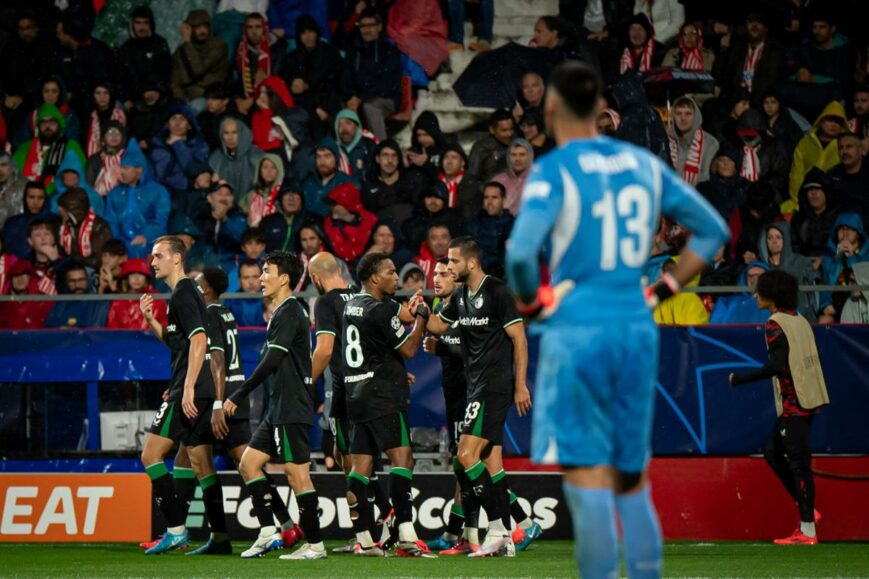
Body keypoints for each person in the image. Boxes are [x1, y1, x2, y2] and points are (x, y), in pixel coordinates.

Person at [505, 62, 729, 577]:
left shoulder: (555, 171)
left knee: (587, 483)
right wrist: (668, 284)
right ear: (600, 107)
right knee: (631, 481)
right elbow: (712, 230)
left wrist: (533, 304)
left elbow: (519, 256)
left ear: (553, 107)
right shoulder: (642, 165)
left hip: (578, 330)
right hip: (634, 327)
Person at [424, 257, 541, 554]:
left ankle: (478, 533)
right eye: (437, 272)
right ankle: (518, 525)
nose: (439, 277)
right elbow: (441, 330)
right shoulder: (453, 305)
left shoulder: (488, 299)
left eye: (447, 270)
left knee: (466, 461)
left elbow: (476, 347)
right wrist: (424, 314)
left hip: (478, 393)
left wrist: (443, 346)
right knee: (487, 464)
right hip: (465, 393)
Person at [183, 267, 302, 552]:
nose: (195, 289)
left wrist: (216, 404)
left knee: (200, 460)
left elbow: (218, 359)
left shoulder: (209, 314)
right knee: (248, 464)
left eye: (197, 285)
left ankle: (221, 536)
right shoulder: (226, 313)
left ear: (207, 290)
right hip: (236, 396)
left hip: (220, 398)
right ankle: (286, 525)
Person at [222, 251, 326, 560]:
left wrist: (239, 394)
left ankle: (316, 545)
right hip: (279, 406)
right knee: (249, 464)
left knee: (297, 476)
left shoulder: (290, 311)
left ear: (284, 278)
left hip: (291, 406)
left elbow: (271, 361)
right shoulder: (282, 311)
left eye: (266, 271)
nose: (261, 277)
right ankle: (268, 531)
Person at [136, 236, 228, 554]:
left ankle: (176, 530)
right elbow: (181, 346)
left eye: (158, 255)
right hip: (193, 388)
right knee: (198, 462)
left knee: (150, 455)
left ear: (177, 258)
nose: (152, 262)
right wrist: (151, 321)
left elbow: (200, 340)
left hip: (189, 390)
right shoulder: (181, 294)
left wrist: (186, 386)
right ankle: (220, 537)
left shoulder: (185, 292)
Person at [729, 270, 829, 545]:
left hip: (794, 405)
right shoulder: (800, 321)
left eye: (759, 290)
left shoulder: (775, 323)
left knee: (799, 465)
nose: (755, 295)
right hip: (808, 400)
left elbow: (776, 366)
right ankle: (808, 511)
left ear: (771, 294)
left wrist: (740, 379)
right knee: (772, 450)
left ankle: (807, 530)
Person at [342, 252, 431, 557]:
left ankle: (364, 539)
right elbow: (408, 347)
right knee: (403, 460)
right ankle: (406, 535)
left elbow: (392, 321)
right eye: (391, 272)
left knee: (360, 468)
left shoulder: (353, 304)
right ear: (376, 278)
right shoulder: (379, 311)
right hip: (382, 396)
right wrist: (422, 317)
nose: (397, 277)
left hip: (357, 395)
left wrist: (410, 309)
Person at [339, 9, 403, 142]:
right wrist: (350, 97)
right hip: (359, 99)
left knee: (370, 106)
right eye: (363, 26)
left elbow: (387, 84)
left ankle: (381, 148)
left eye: (370, 26)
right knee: (346, 111)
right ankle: (352, 152)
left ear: (379, 27)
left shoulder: (389, 51)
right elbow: (345, 78)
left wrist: (360, 98)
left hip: (386, 98)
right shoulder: (354, 51)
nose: (366, 30)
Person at [104, 141, 170, 259]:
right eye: (121, 167)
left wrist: (146, 235)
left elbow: (160, 221)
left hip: (149, 244)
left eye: (126, 168)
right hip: (120, 246)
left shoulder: (158, 191)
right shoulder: (114, 194)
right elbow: (111, 221)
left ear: (139, 170)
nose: (121, 172)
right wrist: (118, 243)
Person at [786, 101, 848, 214]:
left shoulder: (845, 146)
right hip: (804, 197)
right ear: (821, 121)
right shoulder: (805, 143)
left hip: (834, 203)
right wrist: (798, 203)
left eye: (838, 122)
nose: (833, 125)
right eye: (830, 120)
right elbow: (796, 176)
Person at [716, 11, 786, 107]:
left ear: (766, 28)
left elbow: (771, 84)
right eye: (750, 21)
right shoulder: (738, 48)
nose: (754, 25)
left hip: (759, 103)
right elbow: (723, 78)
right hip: (735, 99)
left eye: (759, 22)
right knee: (710, 106)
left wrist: (749, 104)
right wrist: (723, 51)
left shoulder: (775, 52)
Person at [13, 104, 86, 195]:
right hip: (25, 197)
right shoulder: (25, 147)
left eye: (52, 122)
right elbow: (13, 174)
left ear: (59, 124)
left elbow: (80, 177)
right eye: (44, 122)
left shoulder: (70, 146)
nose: (47, 127)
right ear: (39, 126)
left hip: (58, 198)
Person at [170, 10, 230, 112]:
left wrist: (188, 43)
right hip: (187, 99)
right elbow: (175, 82)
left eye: (204, 26)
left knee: (196, 107)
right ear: (189, 29)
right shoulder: (180, 51)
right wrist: (183, 101)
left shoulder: (218, 46)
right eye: (197, 27)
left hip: (210, 97)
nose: (202, 31)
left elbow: (198, 69)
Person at [817, 213, 869, 323]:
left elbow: (863, 279)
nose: (845, 233)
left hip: (862, 302)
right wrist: (826, 303)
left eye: (850, 229)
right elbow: (825, 282)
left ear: (858, 233)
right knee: (823, 321)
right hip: (837, 302)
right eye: (841, 229)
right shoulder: (830, 255)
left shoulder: (867, 254)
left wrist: (851, 257)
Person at [149, 103, 211, 195]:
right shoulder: (156, 146)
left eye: (182, 119)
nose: (177, 123)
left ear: (189, 125)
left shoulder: (200, 146)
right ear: (167, 124)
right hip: (162, 195)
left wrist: (178, 144)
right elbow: (158, 175)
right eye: (173, 118)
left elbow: (194, 169)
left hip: (190, 195)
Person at [117, 6, 171, 105]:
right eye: (138, 23)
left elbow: (167, 74)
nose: (141, 27)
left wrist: (159, 91)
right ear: (132, 24)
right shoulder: (125, 49)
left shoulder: (160, 44)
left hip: (159, 96)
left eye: (145, 23)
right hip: (134, 98)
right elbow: (120, 80)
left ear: (151, 25)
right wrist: (126, 100)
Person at [209, 118, 264, 208]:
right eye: (226, 133)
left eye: (234, 132)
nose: (230, 138)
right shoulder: (216, 158)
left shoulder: (256, 155)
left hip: (251, 208)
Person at [463, 182, 515, 278]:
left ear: (503, 200)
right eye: (486, 197)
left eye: (494, 197)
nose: (489, 202)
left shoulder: (513, 225)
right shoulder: (473, 223)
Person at [362, 140, 418, 224]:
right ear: (377, 159)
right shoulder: (369, 186)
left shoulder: (411, 181)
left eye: (394, 156)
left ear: (399, 159)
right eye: (385, 155)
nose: (390, 160)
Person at [667, 96, 719, 185]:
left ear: (696, 116)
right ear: (673, 116)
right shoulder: (666, 140)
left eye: (688, 114)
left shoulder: (710, 143)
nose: (683, 118)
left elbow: (707, 177)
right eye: (679, 113)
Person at [56, 187, 112, 270]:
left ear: (73, 211)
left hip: (92, 269)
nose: (60, 213)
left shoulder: (98, 226)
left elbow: (98, 260)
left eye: (63, 211)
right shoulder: (64, 226)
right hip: (72, 267)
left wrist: (71, 260)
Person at [323, 182, 377, 266]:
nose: (331, 208)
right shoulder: (328, 223)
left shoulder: (369, 220)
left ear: (347, 204)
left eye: (335, 204)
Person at [791, 169, 840, 258]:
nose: (813, 193)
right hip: (803, 266)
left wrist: (824, 261)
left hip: (832, 265)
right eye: (810, 189)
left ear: (826, 192)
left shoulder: (838, 218)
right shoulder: (798, 219)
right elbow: (794, 248)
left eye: (817, 189)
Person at [107, 258, 167, 330]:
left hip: (152, 340)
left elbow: (165, 327)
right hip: (125, 340)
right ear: (127, 278)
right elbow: (113, 330)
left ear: (146, 278)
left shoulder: (157, 299)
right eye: (132, 274)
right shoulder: (118, 302)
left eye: (140, 274)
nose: (136, 278)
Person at [303, 138, 356, 219]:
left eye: (327, 156)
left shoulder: (349, 183)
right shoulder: (307, 183)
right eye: (318, 156)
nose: (322, 161)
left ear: (336, 158)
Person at [45, 263, 110, 328]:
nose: (77, 285)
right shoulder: (60, 305)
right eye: (72, 281)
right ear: (67, 282)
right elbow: (49, 330)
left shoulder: (97, 304)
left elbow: (97, 332)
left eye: (81, 280)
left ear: (87, 280)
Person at [828, 132, 869, 221]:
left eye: (849, 146)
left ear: (860, 149)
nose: (844, 152)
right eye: (841, 148)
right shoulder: (831, 176)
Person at [467, 109, 515, 183]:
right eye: (504, 130)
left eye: (511, 129)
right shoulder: (481, 148)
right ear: (492, 129)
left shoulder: (519, 144)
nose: (509, 134)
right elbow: (472, 177)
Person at [0, 259, 52, 329]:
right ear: (11, 279)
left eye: (24, 275)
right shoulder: (3, 304)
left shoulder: (44, 301)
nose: (20, 279)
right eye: (16, 275)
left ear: (30, 278)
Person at [260, 185, 309, 253]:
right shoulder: (268, 222)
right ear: (280, 199)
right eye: (287, 193)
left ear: (301, 199)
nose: (291, 198)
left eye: (295, 193)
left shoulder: (309, 221)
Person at [491, 139, 534, 215]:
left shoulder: (538, 180)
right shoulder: (498, 180)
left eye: (522, 154)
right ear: (508, 157)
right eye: (513, 155)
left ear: (530, 156)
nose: (517, 159)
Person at [85, 121, 127, 199]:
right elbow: (88, 185)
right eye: (110, 132)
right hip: (99, 201)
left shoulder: (127, 157)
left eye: (118, 133)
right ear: (103, 136)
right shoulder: (95, 159)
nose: (114, 136)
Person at [84, 82, 127, 158]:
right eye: (98, 93)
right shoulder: (90, 116)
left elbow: (120, 141)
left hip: (116, 159)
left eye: (105, 93)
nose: (102, 97)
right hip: (94, 160)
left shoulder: (119, 115)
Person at [335, 109, 377, 182]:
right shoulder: (334, 149)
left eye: (348, 123)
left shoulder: (369, 145)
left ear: (357, 126)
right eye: (340, 125)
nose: (344, 129)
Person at [412, 221, 453, 289]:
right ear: (427, 241)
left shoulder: (459, 262)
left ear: (450, 239)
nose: (440, 242)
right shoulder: (417, 264)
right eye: (434, 238)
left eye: (444, 237)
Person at [227, 259, 266, 328]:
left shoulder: (272, 300)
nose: (251, 282)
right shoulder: (230, 303)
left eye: (255, 277)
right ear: (239, 281)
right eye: (246, 277)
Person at [0, 152, 28, 231]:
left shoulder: (24, 186)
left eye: (4, 165)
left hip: (17, 233)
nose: (0, 170)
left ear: (11, 167)